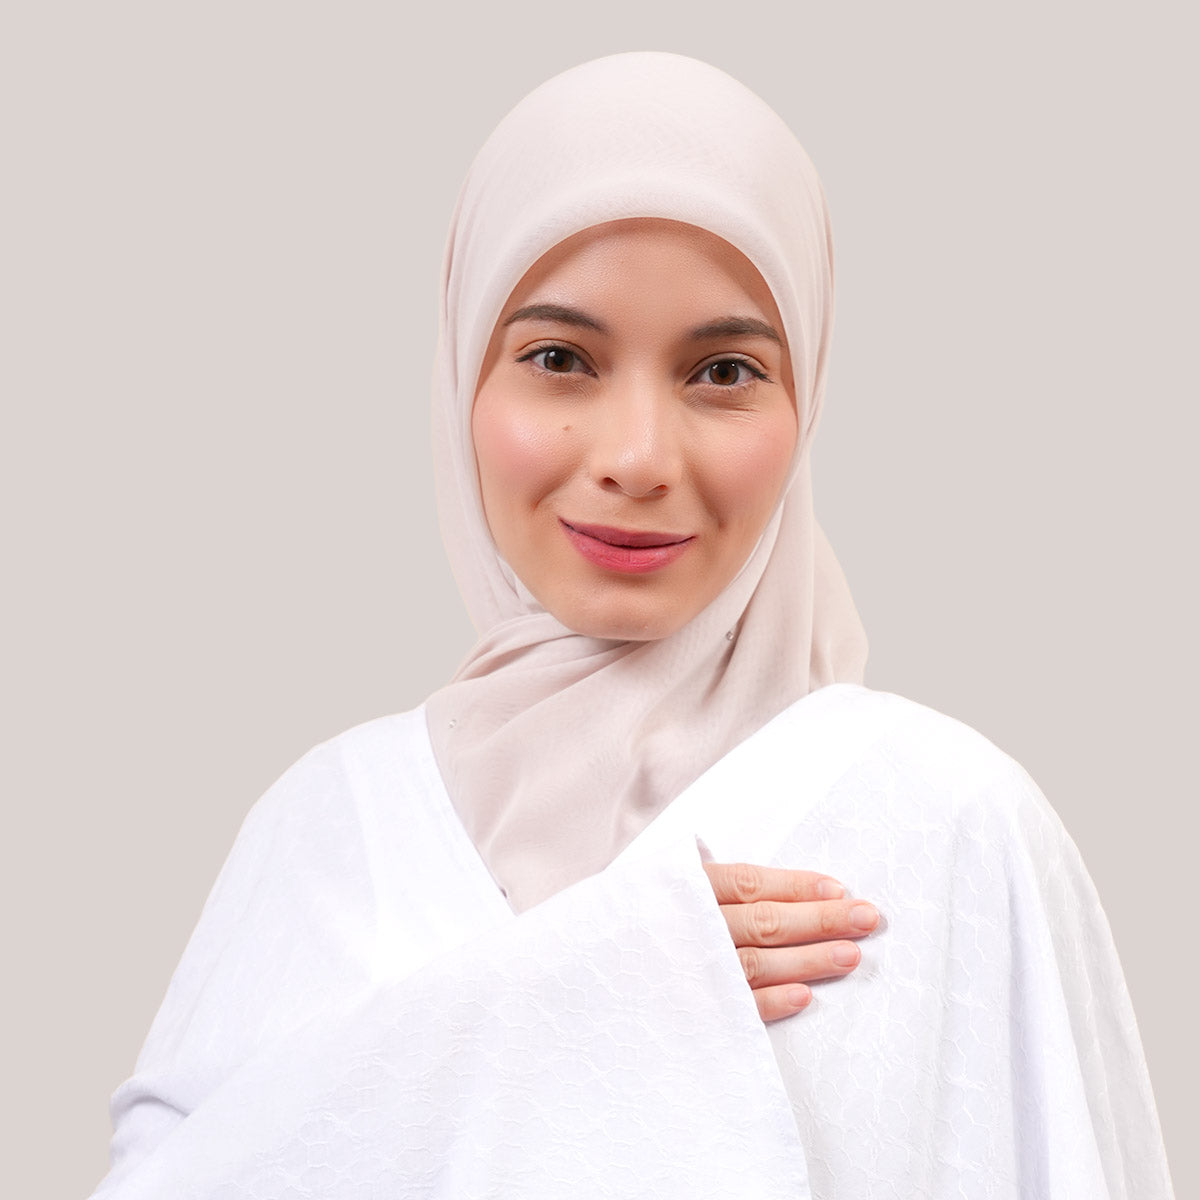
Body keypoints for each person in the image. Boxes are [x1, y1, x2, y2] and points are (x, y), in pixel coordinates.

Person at [88, 52, 1174, 1199]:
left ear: (806, 398)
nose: (638, 457)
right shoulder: (326, 827)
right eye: (559, 358)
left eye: (724, 370)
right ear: (462, 376)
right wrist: (584, 996)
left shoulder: (949, 823)